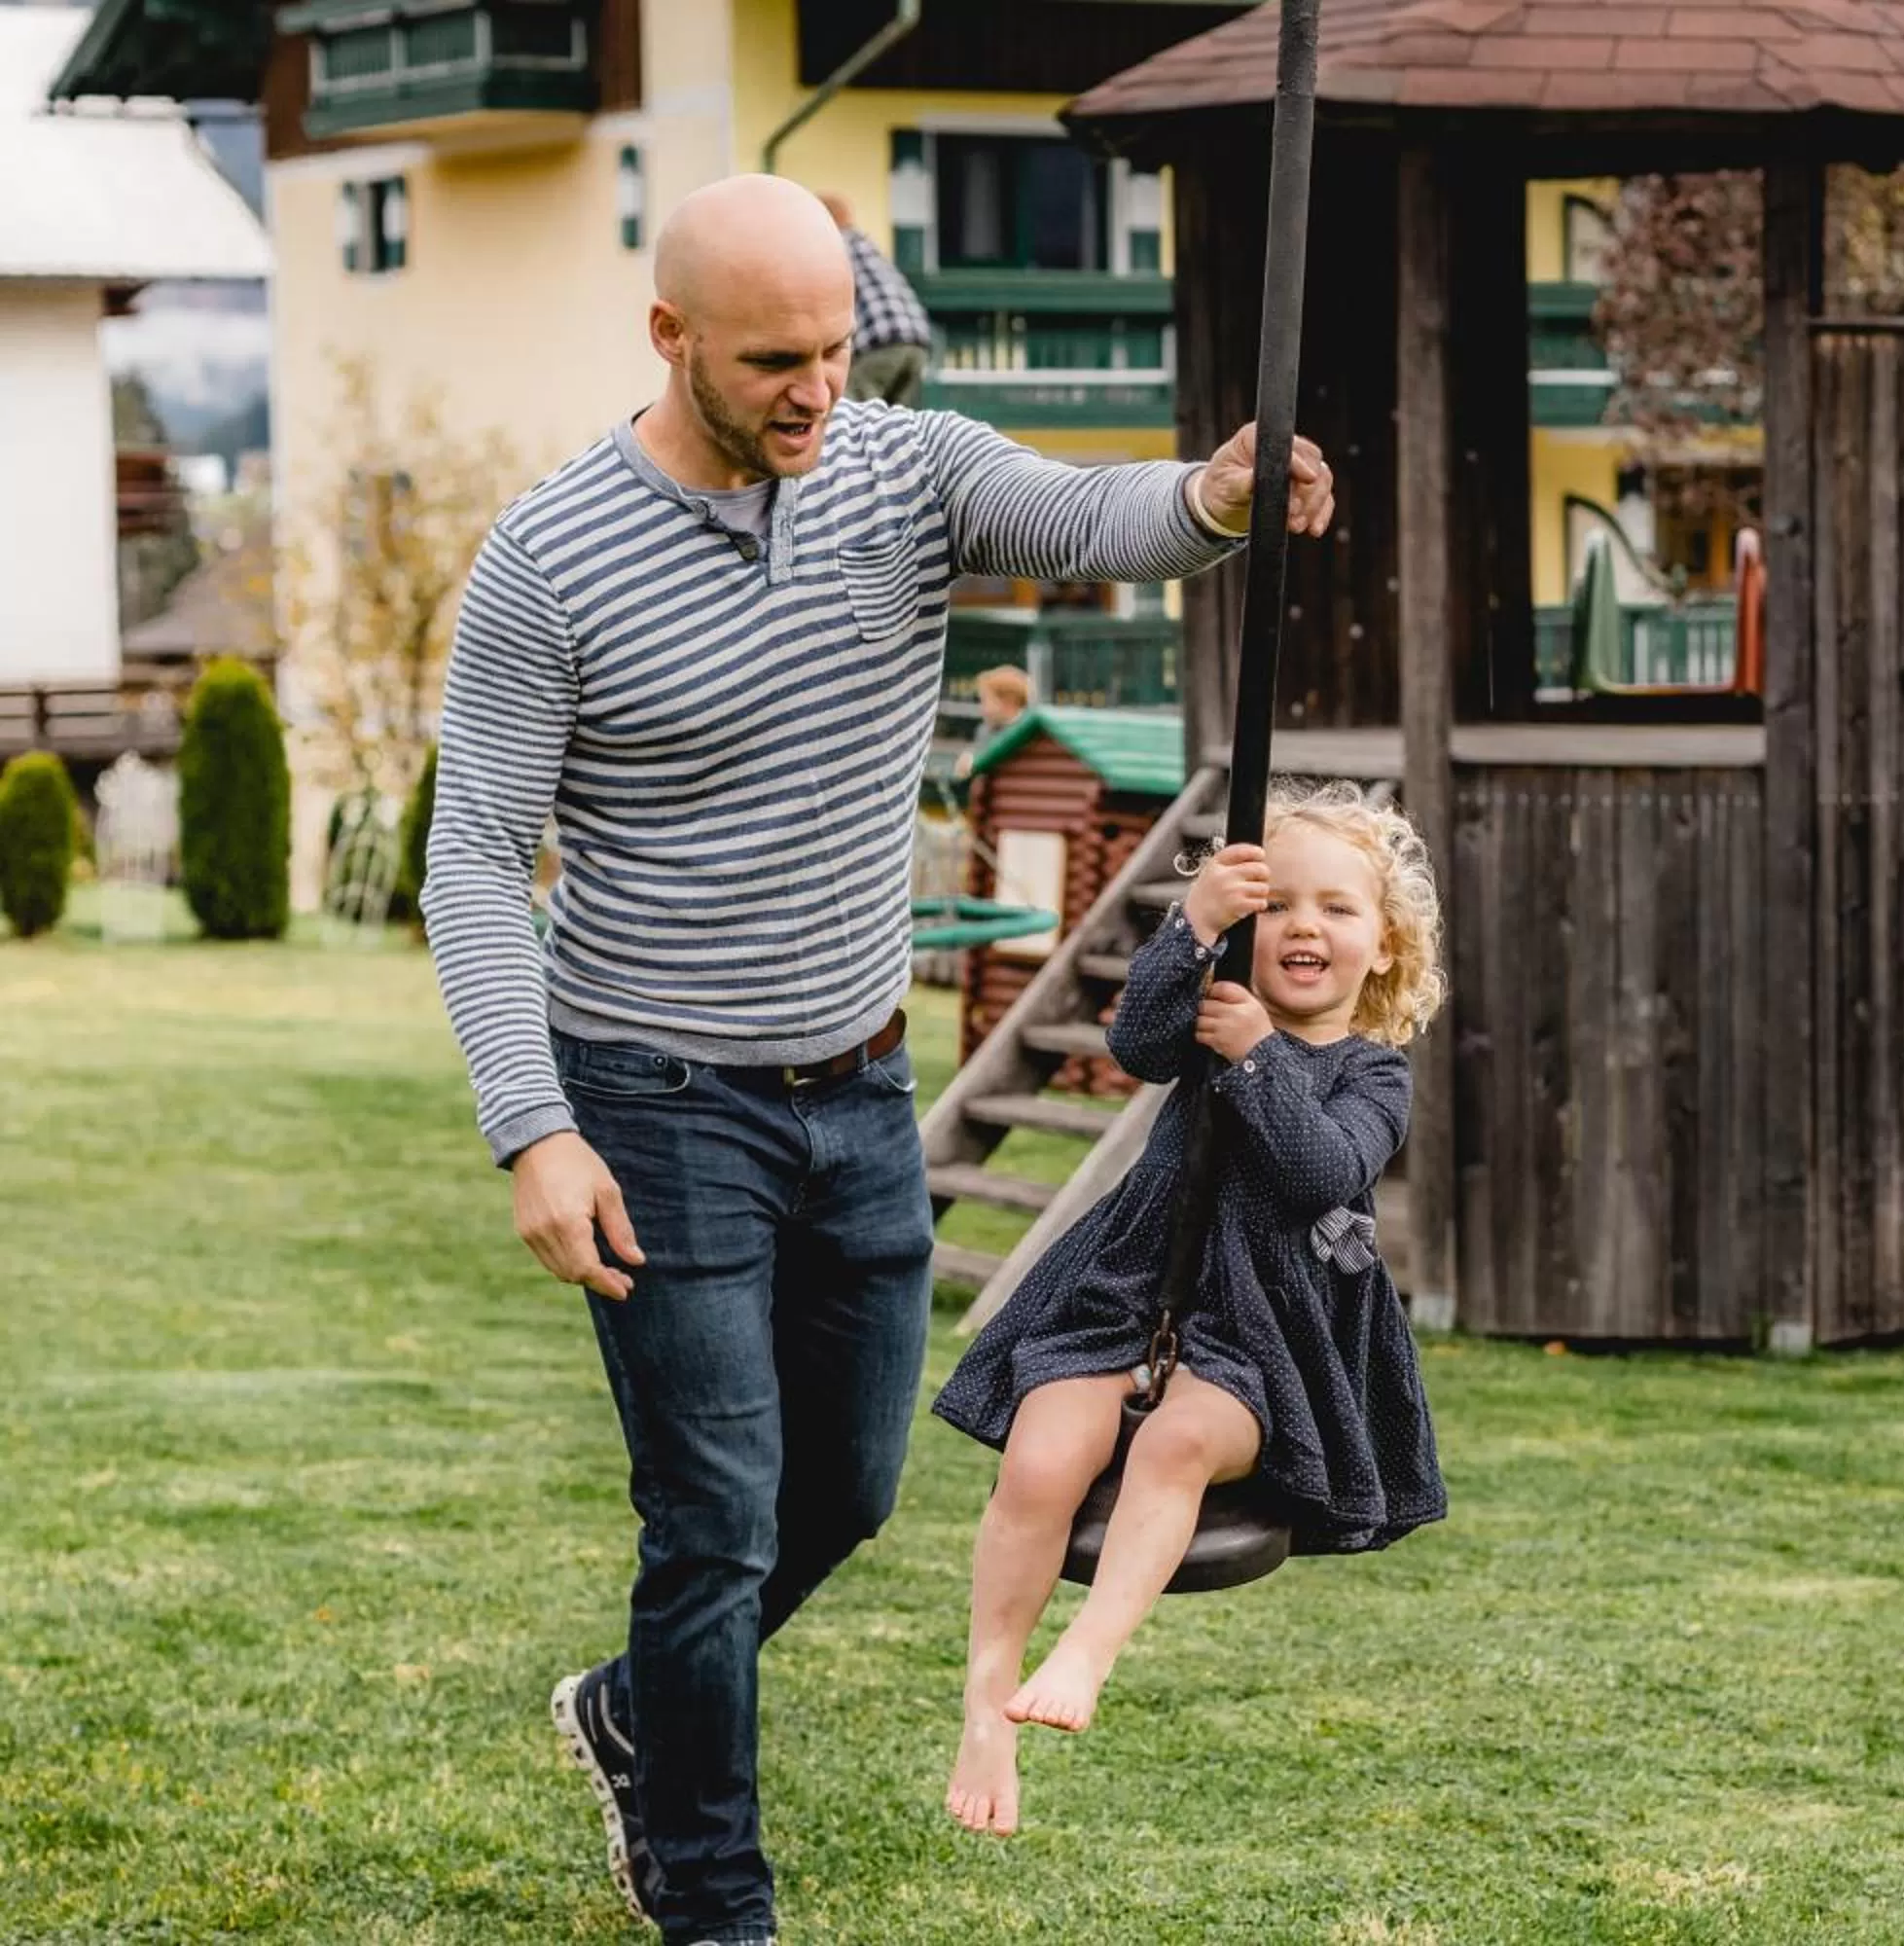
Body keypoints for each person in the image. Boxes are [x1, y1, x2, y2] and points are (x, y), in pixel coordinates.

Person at [421, 172, 1334, 1946]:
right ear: (669, 336)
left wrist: (1214, 497)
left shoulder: (898, 475)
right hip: (653, 1099)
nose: (815, 393)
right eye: (773, 361)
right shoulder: (552, 559)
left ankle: (634, 1712)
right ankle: (711, 1893)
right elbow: (474, 854)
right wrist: (530, 1124)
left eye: (836, 351)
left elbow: (1083, 514)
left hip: (855, 1092)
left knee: (846, 1489)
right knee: (717, 1512)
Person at [932, 782, 1448, 1836]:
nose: (1304, 925)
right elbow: (1136, 1042)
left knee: (1172, 1446)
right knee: (1038, 1458)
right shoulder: (1212, 1006)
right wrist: (1193, 925)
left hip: (1263, 1330)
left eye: (1338, 909)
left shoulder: (1371, 1075)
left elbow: (1318, 1171)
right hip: (1130, 1291)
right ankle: (989, 1697)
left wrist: (1257, 1051)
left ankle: (1087, 1650)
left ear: (1385, 946)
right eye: (1279, 906)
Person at [818, 190, 933, 408]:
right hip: (917, 343)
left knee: (848, 409)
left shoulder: (835, 244)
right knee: (894, 419)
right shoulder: (868, 246)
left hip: (881, 342)